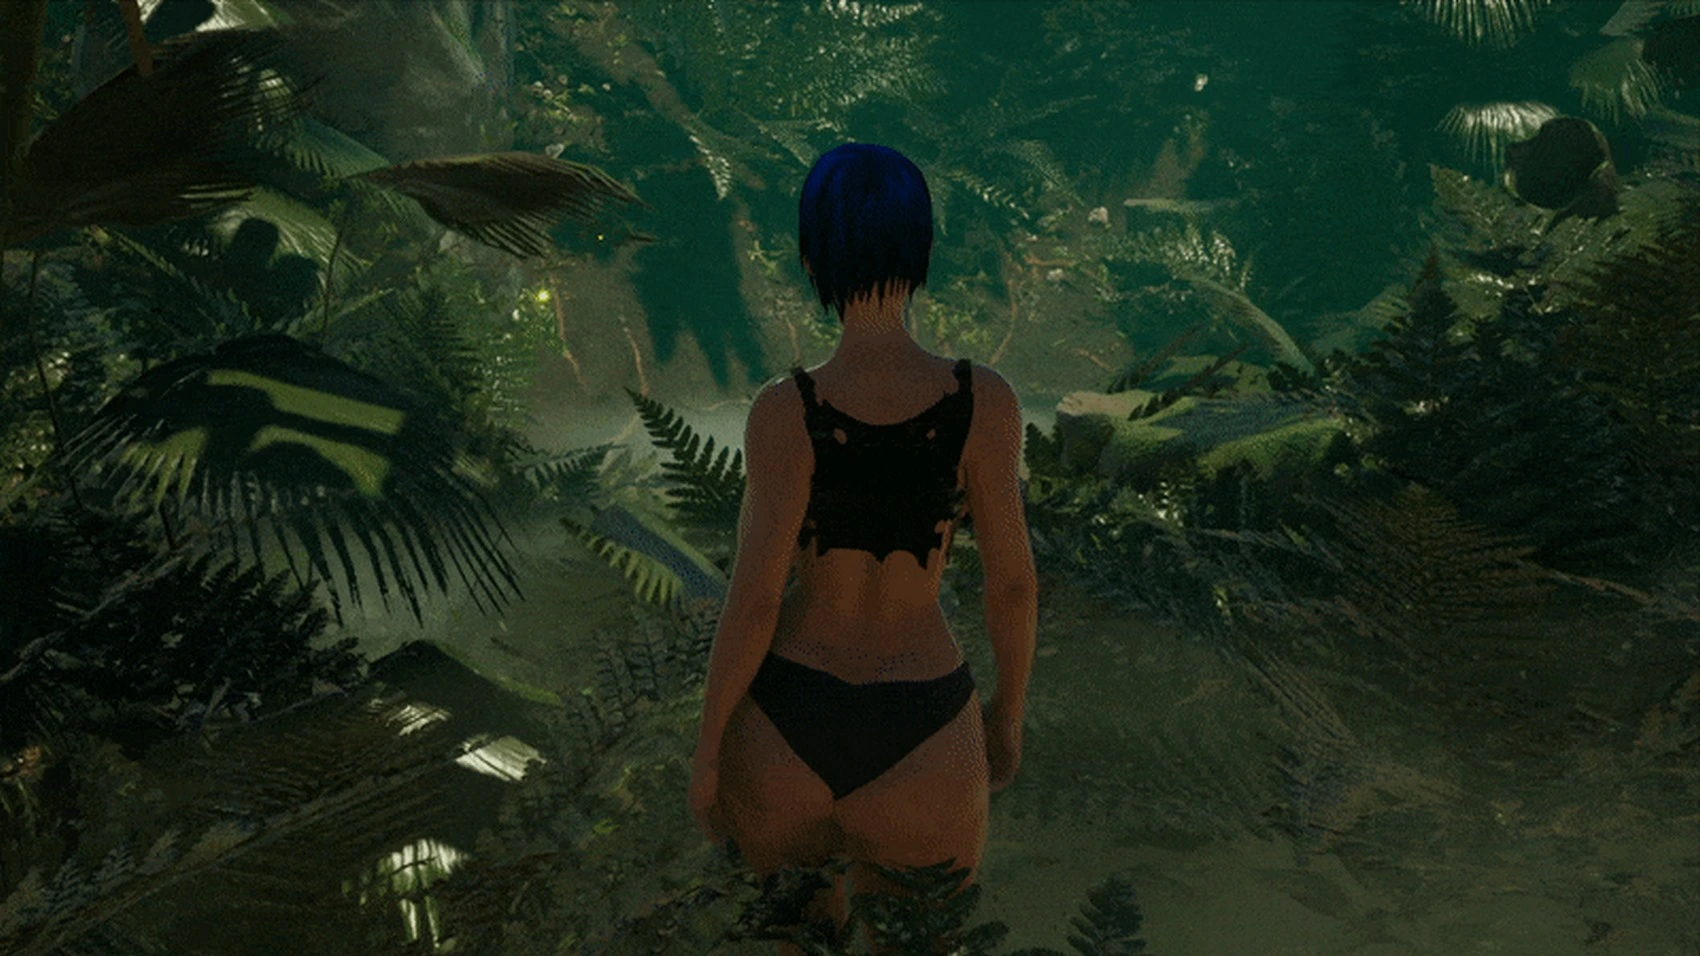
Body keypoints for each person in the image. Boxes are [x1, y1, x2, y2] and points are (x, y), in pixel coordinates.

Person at [688, 142, 1039, 954]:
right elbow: (1013, 587)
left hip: (785, 719)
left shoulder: (785, 409)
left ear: (812, 256)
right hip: (925, 723)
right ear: (921, 252)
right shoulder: (984, 403)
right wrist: (1008, 718)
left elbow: (755, 601)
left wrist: (707, 752)